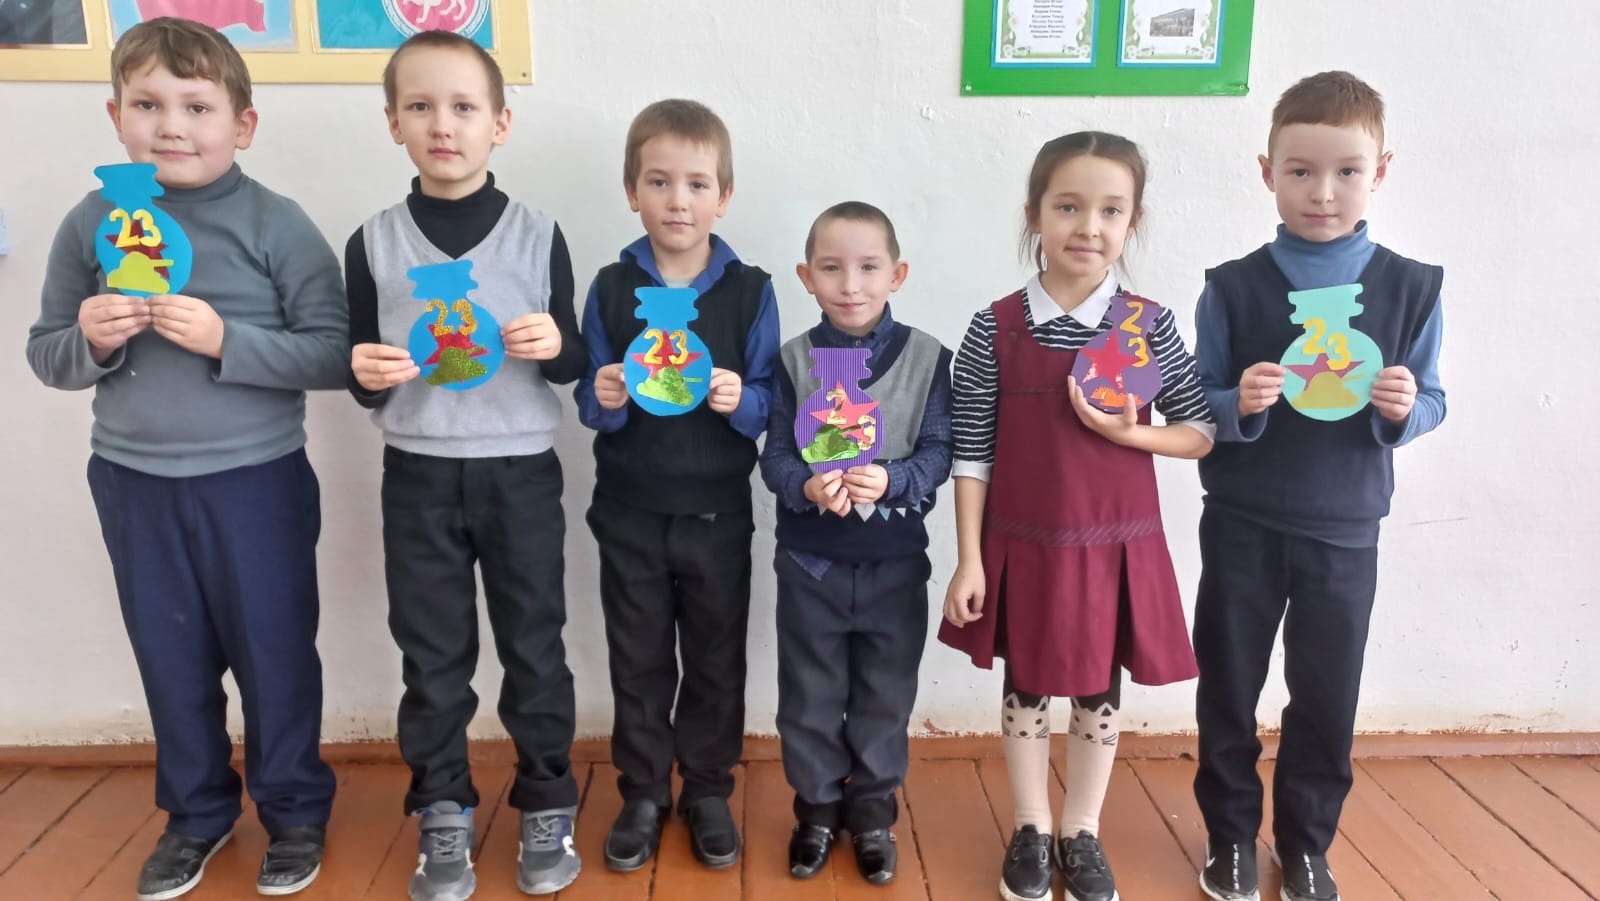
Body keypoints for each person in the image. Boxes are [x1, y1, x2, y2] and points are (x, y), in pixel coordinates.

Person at [25, 17, 345, 899]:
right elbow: (47, 354)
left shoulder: (276, 223)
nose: (171, 125)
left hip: (256, 481)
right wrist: (91, 339)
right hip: (133, 482)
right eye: (147, 104)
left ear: (243, 124)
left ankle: (295, 809)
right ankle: (197, 813)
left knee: (275, 651)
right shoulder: (93, 222)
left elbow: (332, 352)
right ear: (115, 116)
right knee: (170, 656)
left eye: (197, 106)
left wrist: (225, 339)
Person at [938, 131, 1215, 901]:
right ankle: (1030, 824)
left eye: (1110, 210)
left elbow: (1198, 431)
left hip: (1113, 543)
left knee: (1098, 687)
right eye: (1067, 206)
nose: (1088, 226)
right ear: (1034, 214)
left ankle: (1081, 829)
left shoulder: (1146, 325)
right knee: (1027, 684)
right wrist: (969, 558)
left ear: (1132, 221)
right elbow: (971, 452)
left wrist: (1130, 433)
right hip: (1022, 542)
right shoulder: (994, 327)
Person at [344, 30, 587, 900]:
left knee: (535, 645)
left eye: (462, 107)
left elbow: (572, 359)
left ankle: (547, 797)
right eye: (420, 106)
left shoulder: (539, 234)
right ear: (393, 123)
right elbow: (361, 373)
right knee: (432, 652)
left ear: (499, 124)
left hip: (519, 472)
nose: (442, 124)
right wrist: (362, 370)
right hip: (417, 477)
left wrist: (557, 343)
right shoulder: (373, 242)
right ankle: (443, 804)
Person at [1192, 71, 1445, 901]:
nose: (1323, 192)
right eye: (1300, 171)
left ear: (1381, 171)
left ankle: (1305, 844)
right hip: (1242, 520)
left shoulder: (1412, 288)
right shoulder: (1231, 286)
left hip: (1346, 527)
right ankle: (1230, 835)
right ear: (1267, 171)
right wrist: (1238, 403)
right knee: (1229, 682)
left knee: (1327, 694)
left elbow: (1434, 398)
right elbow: (1193, 401)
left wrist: (1404, 409)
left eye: (1346, 171)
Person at [574, 98, 780, 872]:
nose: (678, 200)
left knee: (716, 658)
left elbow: (772, 401)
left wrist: (741, 400)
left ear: (724, 196)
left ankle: (707, 788)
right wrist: (605, 394)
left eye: (697, 184)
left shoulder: (751, 290)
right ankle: (641, 791)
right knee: (637, 658)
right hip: (628, 510)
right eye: (659, 182)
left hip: (717, 512)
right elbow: (591, 400)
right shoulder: (609, 286)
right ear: (632, 191)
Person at [759, 201, 952, 885]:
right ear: (806, 276)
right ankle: (815, 808)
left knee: (885, 693)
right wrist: (805, 486)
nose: (850, 285)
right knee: (808, 693)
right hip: (810, 563)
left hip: (895, 565)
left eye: (869, 267)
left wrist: (894, 479)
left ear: (896, 274)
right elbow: (775, 457)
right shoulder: (792, 361)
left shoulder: (928, 358)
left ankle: (871, 809)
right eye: (832, 268)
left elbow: (940, 452)